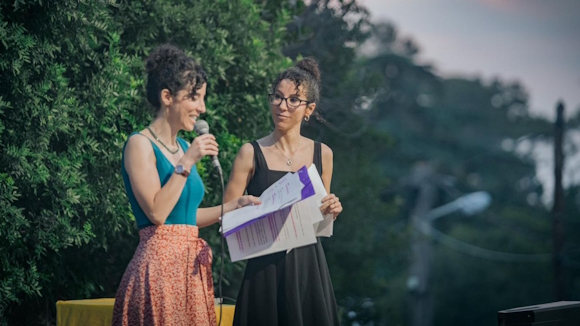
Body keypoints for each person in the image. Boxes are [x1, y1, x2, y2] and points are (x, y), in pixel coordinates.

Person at [112, 44, 260, 326]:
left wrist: (233, 206)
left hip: (189, 272)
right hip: (158, 273)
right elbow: (157, 212)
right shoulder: (139, 144)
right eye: (194, 97)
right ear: (167, 97)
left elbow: (185, 219)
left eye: (202, 99)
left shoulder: (181, 146)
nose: (201, 108)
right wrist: (188, 161)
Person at [224, 58, 343, 326]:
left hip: (308, 267)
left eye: (293, 100)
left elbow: (319, 222)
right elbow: (226, 220)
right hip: (263, 268)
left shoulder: (323, 154)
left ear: (309, 109)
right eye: (277, 97)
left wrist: (331, 211)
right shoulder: (250, 152)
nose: (282, 106)